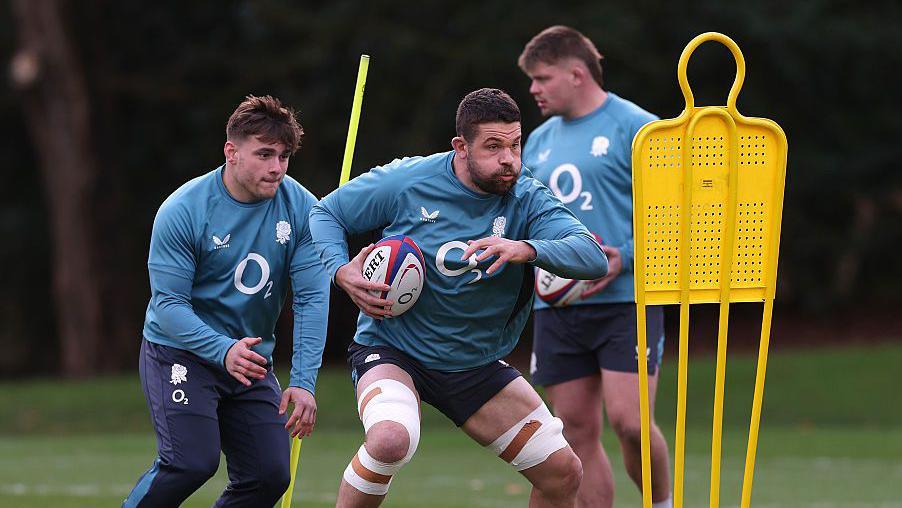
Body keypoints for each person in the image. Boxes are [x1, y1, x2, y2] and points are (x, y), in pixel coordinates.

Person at [309, 88, 608, 508]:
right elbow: (325, 214)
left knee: (563, 472)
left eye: (515, 144)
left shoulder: (528, 198)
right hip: (394, 349)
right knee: (391, 439)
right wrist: (342, 272)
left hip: (475, 365)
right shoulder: (409, 180)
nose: (508, 159)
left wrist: (525, 248)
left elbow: (592, 255)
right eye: (493, 146)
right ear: (461, 147)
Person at [122, 95, 330, 507]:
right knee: (191, 462)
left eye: (285, 156)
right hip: (180, 353)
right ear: (231, 152)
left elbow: (311, 297)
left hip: (249, 360)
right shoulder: (183, 210)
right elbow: (168, 305)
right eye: (265, 154)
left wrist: (304, 383)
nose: (277, 167)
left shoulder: (303, 207)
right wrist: (223, 350)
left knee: (269, 476)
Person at [519, 26, 673, 508]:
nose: (533, 89)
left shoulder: (640, 128)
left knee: (630, 423)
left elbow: (677, 213)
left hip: (626, 300)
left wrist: (623, 257)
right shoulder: (538, 142)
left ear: (577, 73)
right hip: (558, 308)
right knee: (576, 434)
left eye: (542, 78)